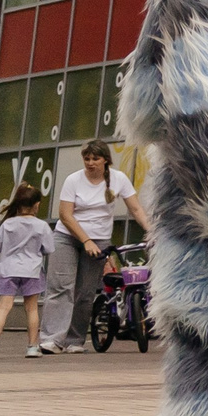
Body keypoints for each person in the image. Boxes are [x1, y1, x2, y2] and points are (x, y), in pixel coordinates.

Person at [43, 141, 150, 354]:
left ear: (106, 160)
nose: (90, 163)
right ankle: (52, 339)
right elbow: (65, 214)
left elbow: (136, 209)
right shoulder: (73, 180)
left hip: (98, 240)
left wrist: (153, 231)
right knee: (61, 288)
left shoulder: (118, 179)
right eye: (87, 159)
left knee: (85, 292)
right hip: (68, 237)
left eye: (95, 159)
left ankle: (74, 340)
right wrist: (85, 240)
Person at [0, 185, 51, 359]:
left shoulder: (7, 224)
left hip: (8, 269)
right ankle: (31, 347)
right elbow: (49, 248)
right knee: (31, 309)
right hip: (32, 270)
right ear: (37, 205)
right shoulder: (41, 226)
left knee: (3, 307)